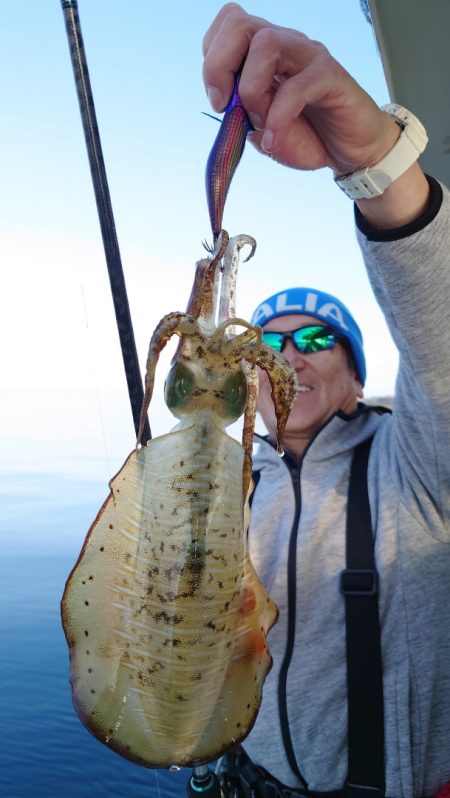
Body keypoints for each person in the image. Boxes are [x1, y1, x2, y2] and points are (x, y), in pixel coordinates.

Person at [202, 5, 450, 798]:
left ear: (355, 374)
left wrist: (374, 161)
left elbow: (439, 343)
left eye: (317, 343)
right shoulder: (230, 488)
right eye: (269, 343)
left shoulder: (417, 465)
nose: (289, 359)